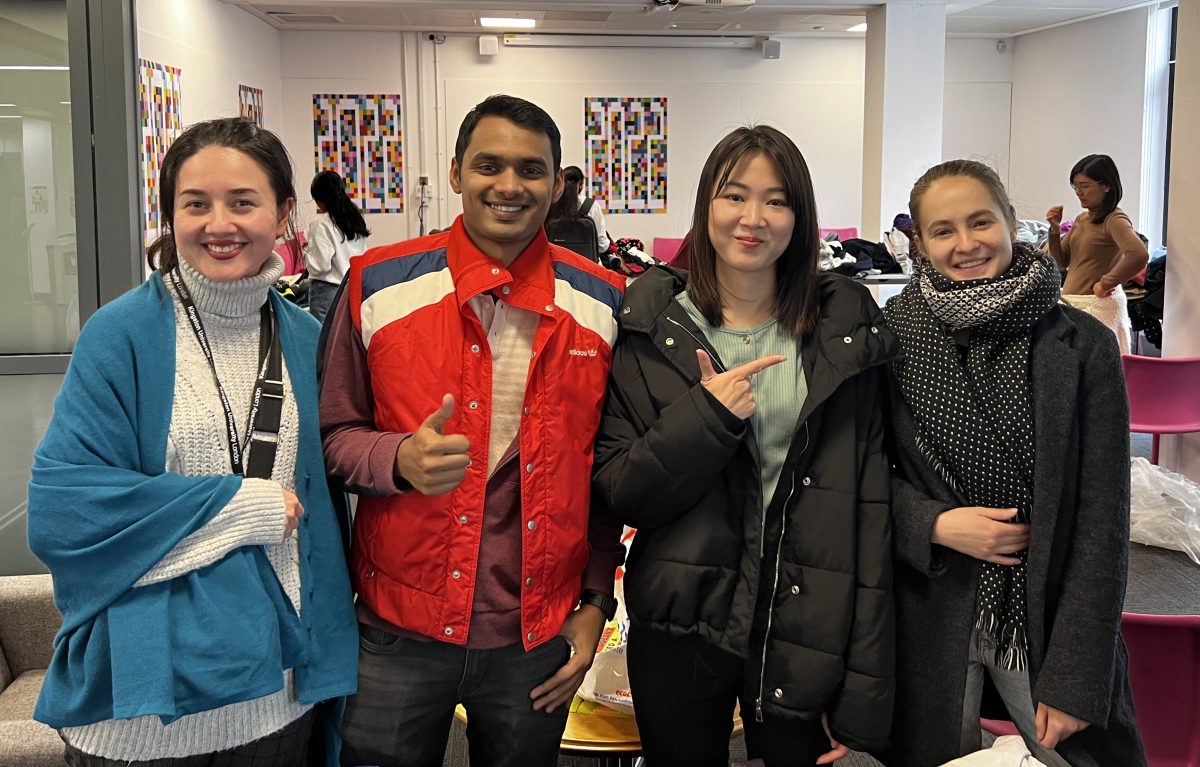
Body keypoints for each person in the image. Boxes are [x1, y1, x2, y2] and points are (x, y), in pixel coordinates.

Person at [27, 117, 358, 766]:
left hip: (277, 700)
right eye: (195, 203)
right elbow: (65, 511)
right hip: (141, 715)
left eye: (242, 201)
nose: (219, 224)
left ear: (284, 212)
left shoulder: (306, 339)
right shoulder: (119, 335)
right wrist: (247, 506)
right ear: (169, 214)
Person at [320, 94, 627, 767]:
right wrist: (397, 458)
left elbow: (605, 472)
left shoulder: (603, 302)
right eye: (489, 165)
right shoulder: (378, 285)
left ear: (558, 181)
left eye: (531, 169)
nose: (510, 186)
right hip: (398, 625)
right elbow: (332, 435)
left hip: (534, 634)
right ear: (456, 172)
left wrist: (597, 600)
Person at [592, 125, 898, 767]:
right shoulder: (651, 328)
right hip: (683, 622)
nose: (753, 218)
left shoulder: (843, 333)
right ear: (707, 206)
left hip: (808, 623)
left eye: (777, 200)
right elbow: (624, 491)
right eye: (735, 196)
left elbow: (868, 512)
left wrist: (865, 687)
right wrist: (706, 417)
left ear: (800, 216)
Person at [884, 159, 1146, 767]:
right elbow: (865, 478)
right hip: (930, 606)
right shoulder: (891, 335)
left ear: (1011, 224)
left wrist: (1079, 676)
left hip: (1047, 611)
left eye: (981, 222)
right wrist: (934, 524)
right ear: (920, 244)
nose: (967, 244)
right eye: (944, 230)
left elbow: (1103, 518)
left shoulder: (1081, 345)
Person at [1046, 153, 1149, 354]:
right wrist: (1054, 230)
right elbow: (1061, 261)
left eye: (1085, 186)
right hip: (1075, 306)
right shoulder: (1083, 219)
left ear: (1106, 186)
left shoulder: (1114, 219)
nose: (1078, 192)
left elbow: (1139, 254)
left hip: (1095, 309)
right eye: (1075, 186)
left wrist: (1106, 282)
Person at [304, 169, 369, 322]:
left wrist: (306, 252)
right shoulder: (354, 219)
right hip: (353, 289)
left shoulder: (321, 224)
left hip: (327, 292)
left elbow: (320, 266)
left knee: (324, 341)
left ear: (320, 199)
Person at [546, 165, 610, 254]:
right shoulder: (591, 205)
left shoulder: (550, 204)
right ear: (580, 185)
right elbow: (602, 246)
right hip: (587, 265)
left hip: (556, 264)